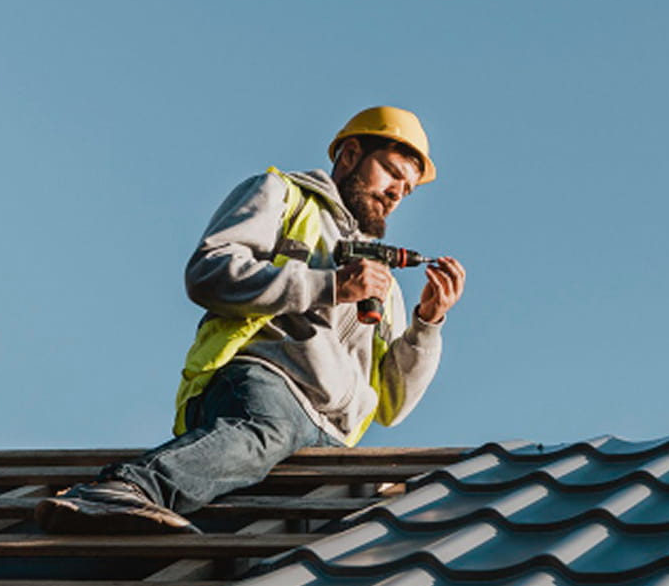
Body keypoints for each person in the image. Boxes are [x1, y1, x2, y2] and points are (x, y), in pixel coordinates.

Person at [35, 105, 465, 534]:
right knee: (263, 431)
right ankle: (125, 489)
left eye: (406, 189)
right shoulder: (283, 196)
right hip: (268, 387)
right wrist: (329, 286)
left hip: (331, 437)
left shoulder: (382, 284)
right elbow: (209, 273)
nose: (396, 192)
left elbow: (392, 405)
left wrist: (427, 324)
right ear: (350, 154)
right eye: (391, 172)